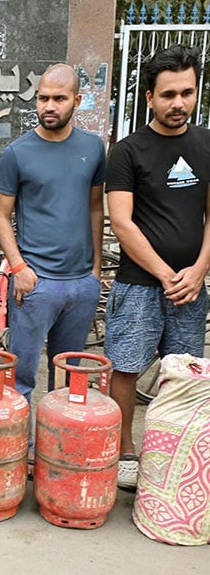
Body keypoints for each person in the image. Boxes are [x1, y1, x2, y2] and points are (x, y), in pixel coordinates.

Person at [105, 45, 210, 490]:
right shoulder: (129, 151)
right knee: (126, 368)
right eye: (168, 94)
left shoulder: (206, 144)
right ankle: (125, 450)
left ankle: (171, 451)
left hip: (191, 287)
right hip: (140, 286)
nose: (179, 103)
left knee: (182, 372)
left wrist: (200, 270)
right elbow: (122, 223)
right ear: (149, 97)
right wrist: (167, 274)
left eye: (187, 92)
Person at [0, 64, 106, 412]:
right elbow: (0, 216)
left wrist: (96, 272)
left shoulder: (93, 147)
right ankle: (22, 453)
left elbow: (95, 210)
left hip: (81, 283)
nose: (49, 106)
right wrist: (18, 268)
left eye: (59, 98)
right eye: (43, 98)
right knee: (22, 376)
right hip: (35, 283)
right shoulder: (17, 153)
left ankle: (58, 454)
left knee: (70, 378)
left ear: (77, 100)